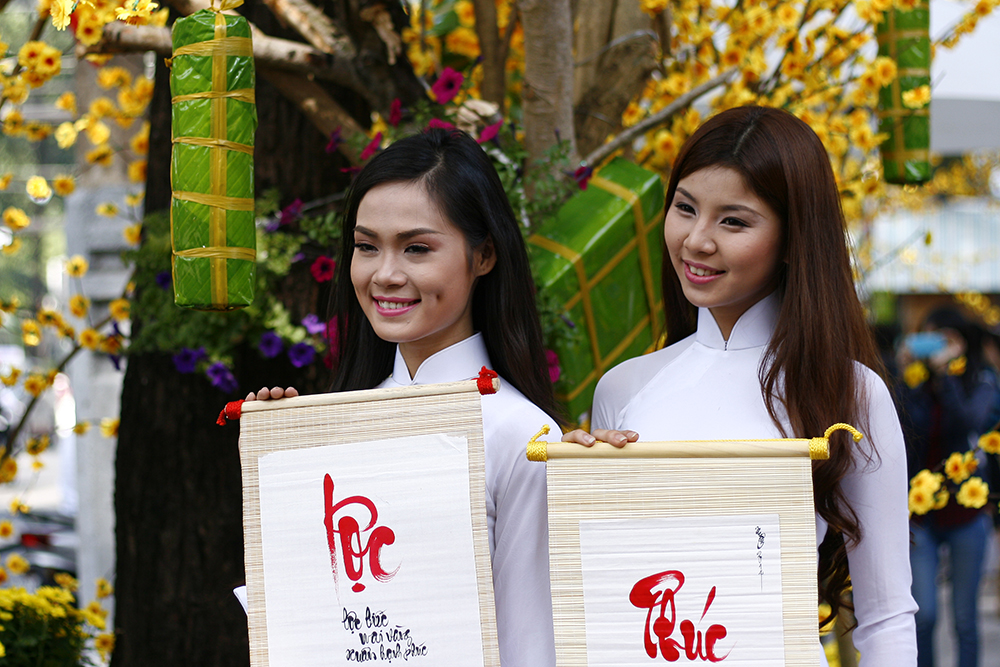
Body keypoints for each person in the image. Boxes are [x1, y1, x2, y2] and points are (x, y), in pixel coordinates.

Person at [564, 106, 918, 665]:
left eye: (733, 221)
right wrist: (573, 488)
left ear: (794, 237)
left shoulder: (848, 392)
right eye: (685, 208)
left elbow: (887, 616)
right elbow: (606, 595)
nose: (696, 240)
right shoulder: (622, 388)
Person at [247, 128, 560, 666]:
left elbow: (532, 647)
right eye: (367, 247)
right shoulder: (336, 426)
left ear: (484, 255)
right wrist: (282, 467)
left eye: (417, 248)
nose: (385, 275)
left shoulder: (523, 437)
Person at [895, 306, 998, 667]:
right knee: (923, 615)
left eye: (944, 339)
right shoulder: (917, 382)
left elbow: (968, 421)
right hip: (921, 514)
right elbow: (905, 427)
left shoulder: (981, 380)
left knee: (964, 619)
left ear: (962, 342)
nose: (937, 347)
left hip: (967, 514)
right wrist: (906, 375)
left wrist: (946, 376)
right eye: (930, 338)